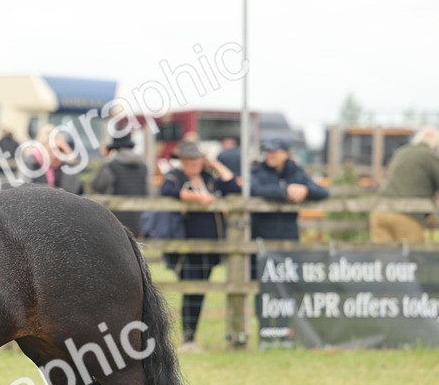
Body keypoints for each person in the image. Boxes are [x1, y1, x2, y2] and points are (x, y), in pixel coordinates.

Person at [161, 141, 239, 351]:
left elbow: (233, 186)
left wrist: (215, 165)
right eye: (190, 159)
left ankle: (191, 335)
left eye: (197, 159)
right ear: (183, 161)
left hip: (211, 244)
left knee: (201, 290)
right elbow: (168, 191)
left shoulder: (208, 178)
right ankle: (188, 337)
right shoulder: (176, 177)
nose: (194, 163)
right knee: (190, 289)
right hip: (187, 243)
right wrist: (197, 197)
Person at [369, 127, 439, 242]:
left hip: (380, 210)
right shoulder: (431, 156)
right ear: (436, 144)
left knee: (383, 256)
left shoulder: (402, 152)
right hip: (407, 213)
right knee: (412, 256)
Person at [250, 138, 329, 243]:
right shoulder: (257, 171)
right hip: (261, 235)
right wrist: (284, 192)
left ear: (286, 154)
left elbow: (323, 192)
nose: (270, 155)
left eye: (274, 152)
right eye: (268, 151)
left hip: (289, 235)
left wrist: (306, 191)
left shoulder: (296, 172)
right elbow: (254, 189)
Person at [90, 134, 149, 235]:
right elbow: (148, 192)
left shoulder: (110, 165)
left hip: (115, 220)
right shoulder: (143, 166)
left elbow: (96, 185)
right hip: (139, 220)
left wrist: (104, 158)